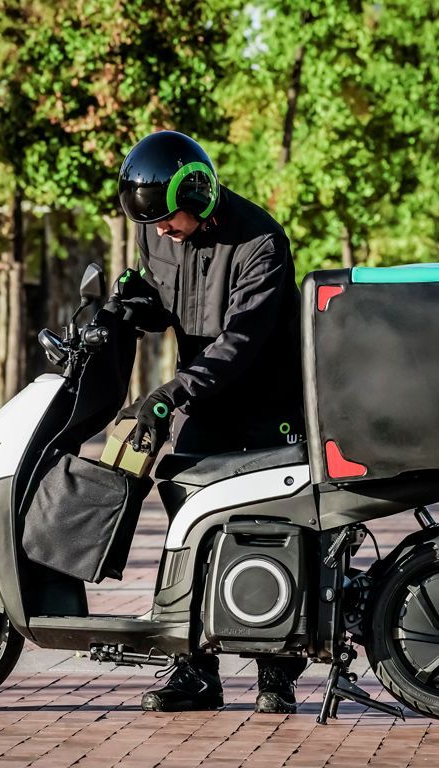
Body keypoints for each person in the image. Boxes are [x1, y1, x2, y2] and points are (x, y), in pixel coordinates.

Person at [116, 130, 307, 714]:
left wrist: (173, 392)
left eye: (169, 219)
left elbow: (241, 340)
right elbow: (163, 297)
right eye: (150, 225)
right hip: (205, 407)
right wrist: (125, 307)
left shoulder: (260, 242)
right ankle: (194, 672)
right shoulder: (162, 238)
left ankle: (276, 674)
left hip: (266, 411)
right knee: (188, 526)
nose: (160, 231)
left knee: (274, 530)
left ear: (196, 196)